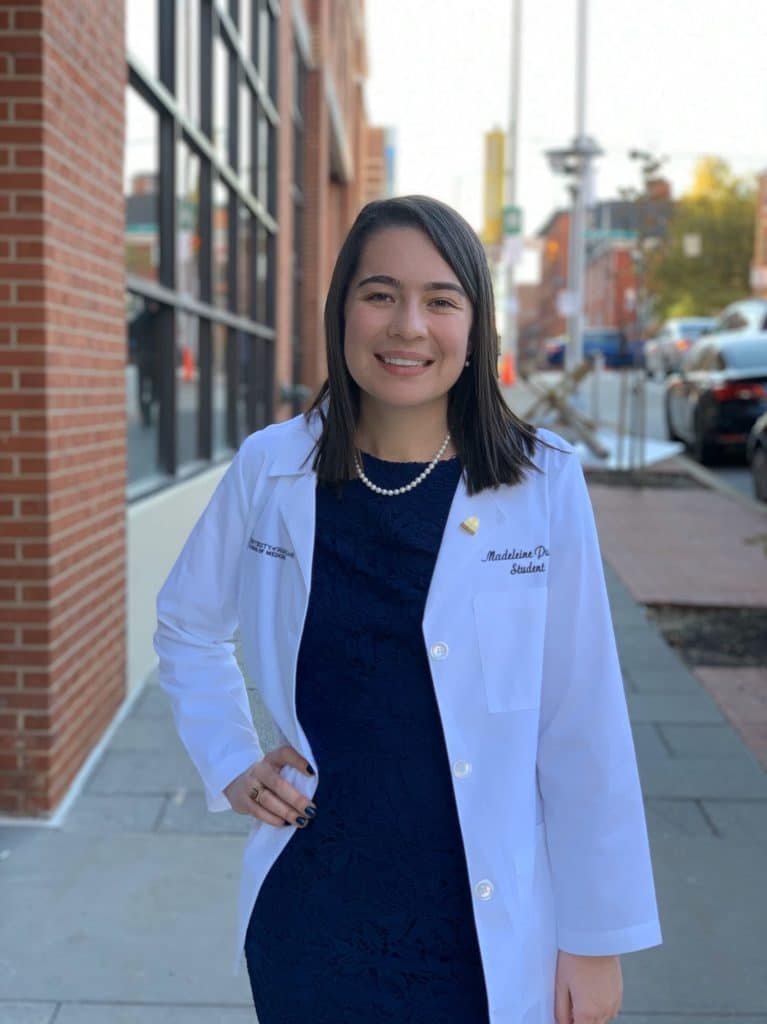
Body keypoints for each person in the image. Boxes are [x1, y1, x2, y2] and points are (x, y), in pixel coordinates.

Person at [154, 195, 662, 1024]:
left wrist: (594, 937)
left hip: (482, 922)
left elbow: (582, 721)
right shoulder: (271, 468)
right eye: (380, 293)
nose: (407, 327)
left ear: (475, 325)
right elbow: (186, 625)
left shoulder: (542, 483)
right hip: (313, 912)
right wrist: (228, 759)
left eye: (439, 300)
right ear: (342, 310)